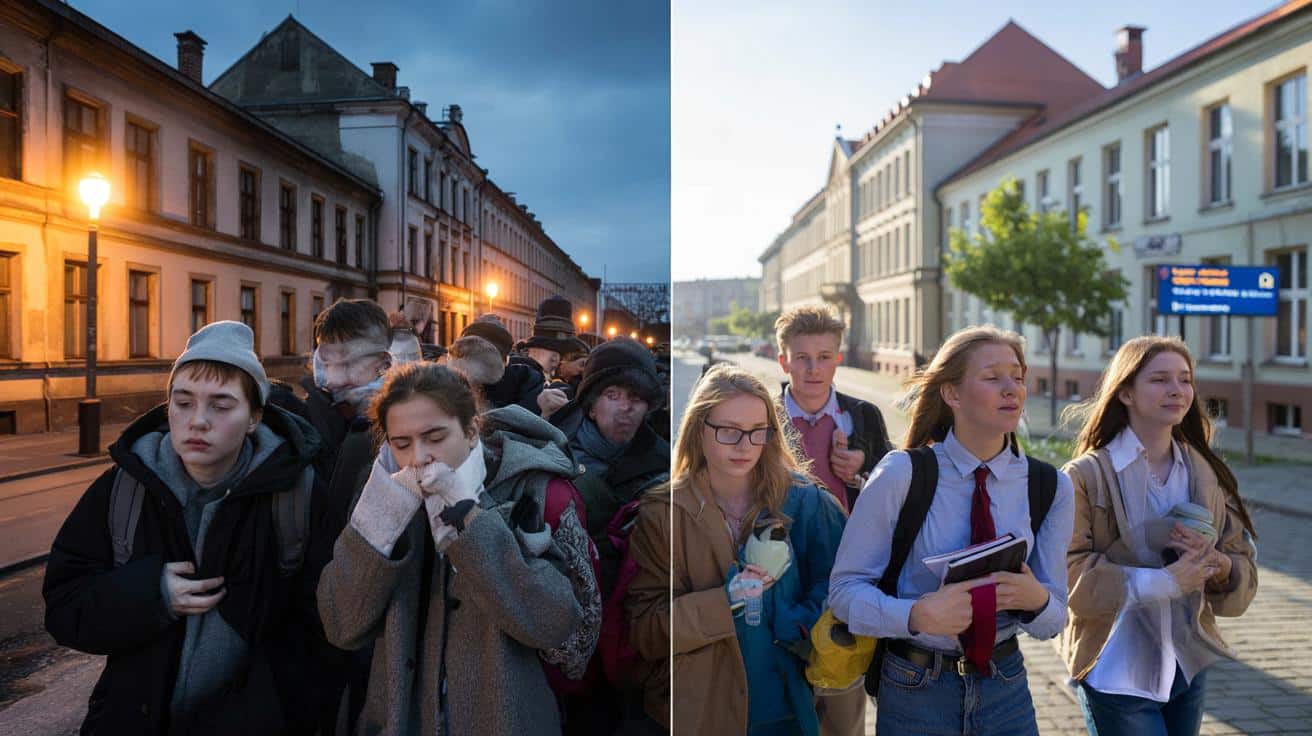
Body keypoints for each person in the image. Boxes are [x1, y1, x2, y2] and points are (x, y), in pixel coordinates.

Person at [43, 321, 334, 734]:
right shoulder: (124, 488)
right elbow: (64, 610)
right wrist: (151, 594)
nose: (198, 421)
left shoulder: (297, 496)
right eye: (183, 402)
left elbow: (325, 636)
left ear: (254, 417)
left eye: (221, 405)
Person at [316, 362, 596, 735]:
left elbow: (555, 625)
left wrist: (470, 519)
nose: (419, 457)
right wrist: (378, 525)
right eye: (402, 443)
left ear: (470, 430)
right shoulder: (386, 493)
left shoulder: (532, 487)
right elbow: (341, 626)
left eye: (435, 437)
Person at [828, 325, 1074, 736]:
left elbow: (1053, 621)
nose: (1011, 389)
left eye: (1017, 377)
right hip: (915, 687)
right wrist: (916, 615)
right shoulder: (902, 474)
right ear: (952, 394)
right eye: (992, 377)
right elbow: (844, 592)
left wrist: (1036, 600)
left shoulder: (1050, 486)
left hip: (1006, 686)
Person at [629, 363, 845, 735]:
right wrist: (724, 602)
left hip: (791, 708)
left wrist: (793, 622)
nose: (745, 446)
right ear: (698, 429)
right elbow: (646, 631)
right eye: (729, 431)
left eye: (757, 431)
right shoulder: (663, 513)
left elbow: (841, 591)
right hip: (703, 712)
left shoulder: (806, 502)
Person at [1061, 336, 1258, 736]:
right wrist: (1164, 582)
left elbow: (1242, 562)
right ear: (1126, 393)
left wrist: (1220, 565)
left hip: (1187, 666)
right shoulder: (1085, 476)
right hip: (1116, 668)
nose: (1176, 389)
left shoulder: (1205, 472)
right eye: (1159, 379)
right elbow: (1067, 573)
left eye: (1185, 379)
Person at [775, 305, 892, 514]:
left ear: (838, 360)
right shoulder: (764, 418)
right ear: (784, 363)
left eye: (824, 357)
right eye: (802, 357)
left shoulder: (865, 415)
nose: (814, 369)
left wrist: (864, 465)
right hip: (782, 532)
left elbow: (893, 484)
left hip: (850, 532)